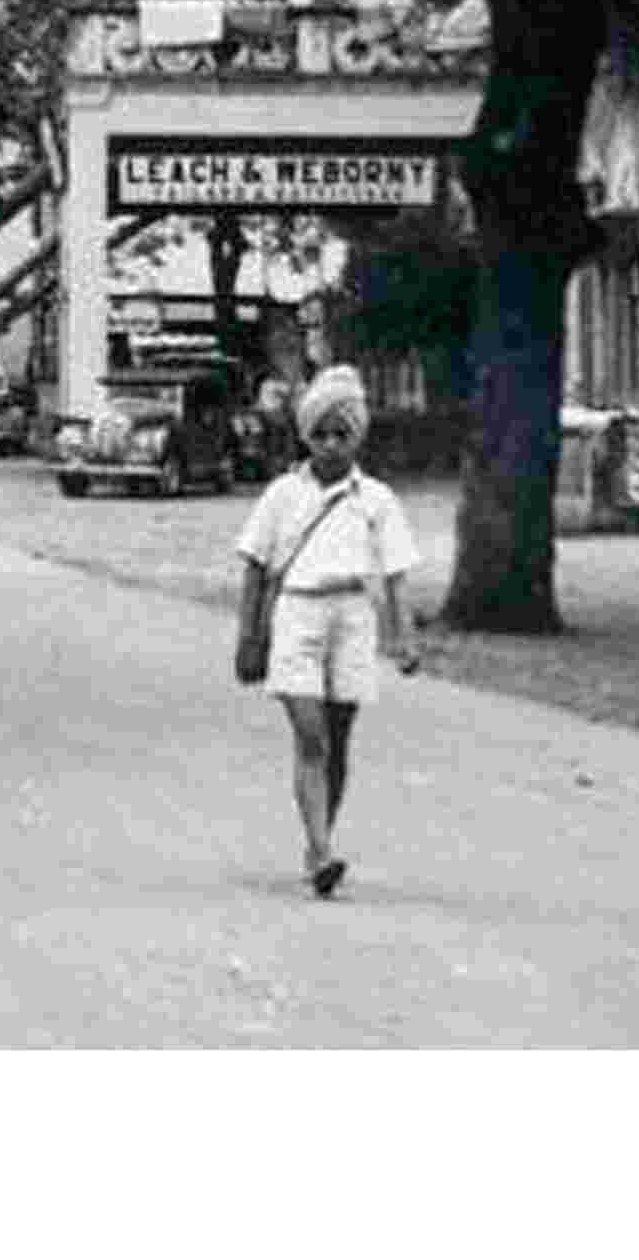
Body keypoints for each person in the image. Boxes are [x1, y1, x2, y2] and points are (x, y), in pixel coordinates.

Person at [231, 366, 421, 899]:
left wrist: (405, 638)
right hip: (297, 614)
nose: (332, 445)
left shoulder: (377, 500)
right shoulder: (281, 496)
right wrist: (248, 637)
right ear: (305, 435)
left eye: (343, 434)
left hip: (353, 617)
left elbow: (396, 574)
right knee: (310, 736)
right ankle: (321, 853)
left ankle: (321, 839)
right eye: (321, 434)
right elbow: (254, 568)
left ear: (358, 435)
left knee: (337, 740)